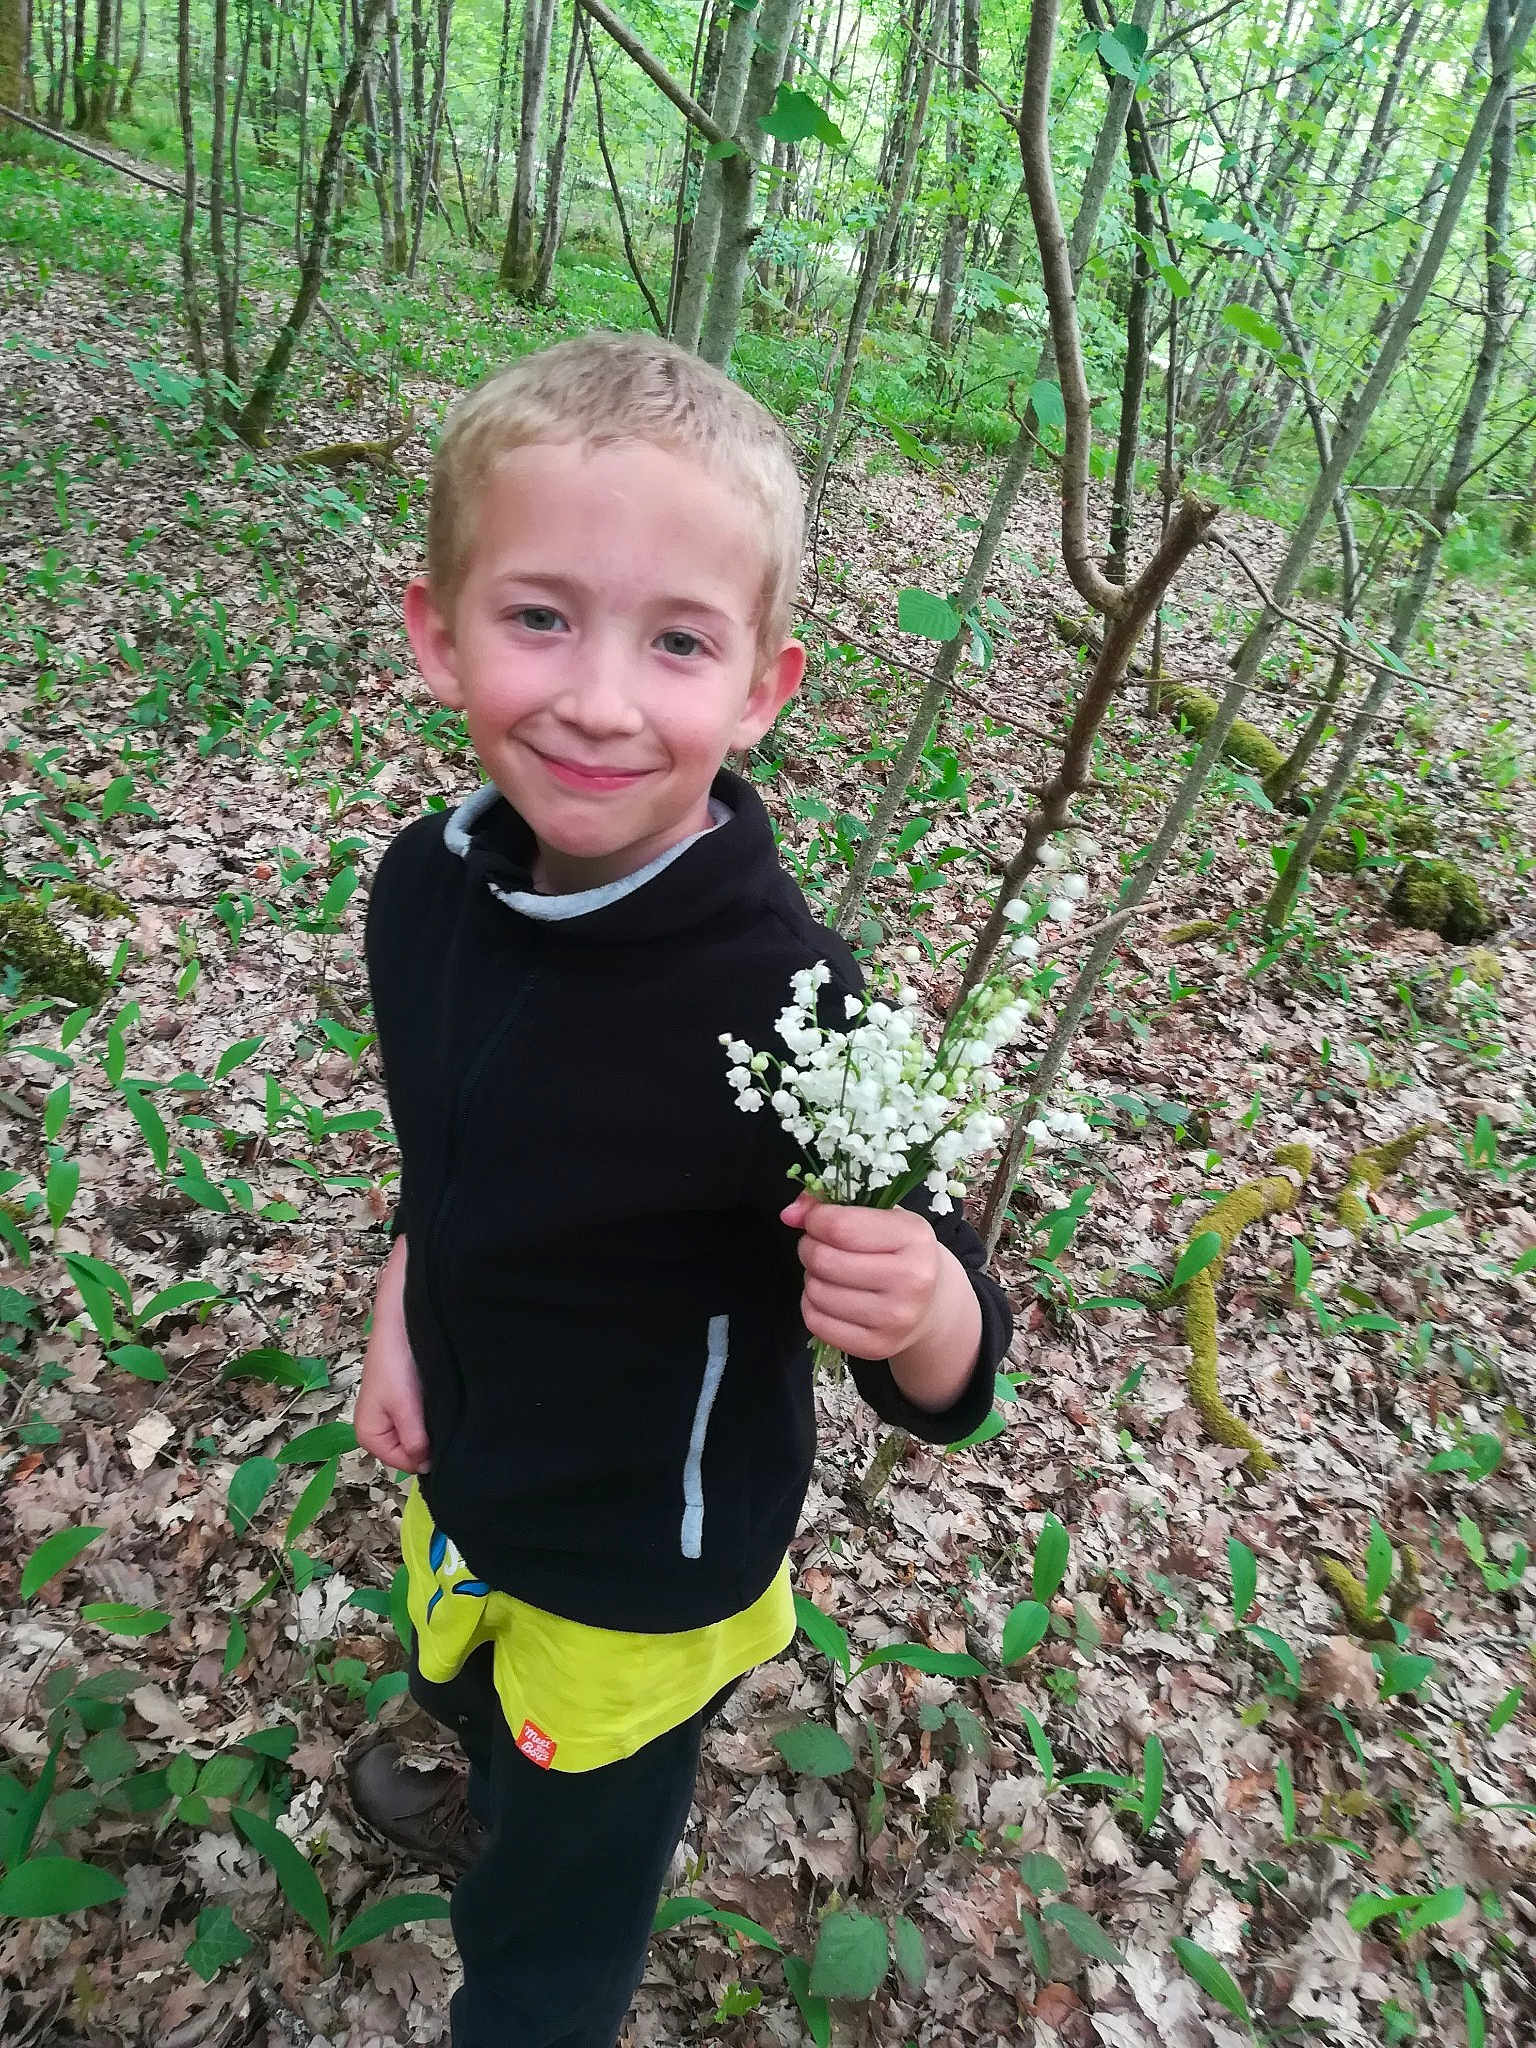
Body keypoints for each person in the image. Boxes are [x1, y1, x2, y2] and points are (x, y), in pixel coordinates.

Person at [348, 330, 1013, 2048]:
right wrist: (397, 1298)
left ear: (763, 688)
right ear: (439, 631)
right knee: (468, 1678)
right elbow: (445, 1140)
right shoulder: (423, 893)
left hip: (645, 1558)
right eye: (541, 615)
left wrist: (927, 1305)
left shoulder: (795, 1003)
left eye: (680, 642)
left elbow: (944, 1341)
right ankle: (484, 1771)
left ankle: (530, 1965)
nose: (600, 698)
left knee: (566, 1894)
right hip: (472, 1454)